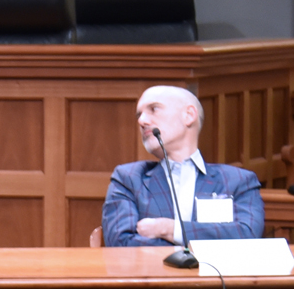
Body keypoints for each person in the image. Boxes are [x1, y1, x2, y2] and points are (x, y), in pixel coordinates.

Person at [102, 85, 264, 246]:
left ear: (189, 115)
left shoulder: (238, 181)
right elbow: (121, 244)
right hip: (153, 266)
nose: (142, 121)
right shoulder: (129, 178)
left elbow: (247, 236)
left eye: (154, 109)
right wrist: (198, 245)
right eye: (139, 114)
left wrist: (169, 229)